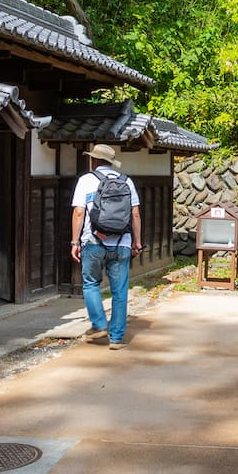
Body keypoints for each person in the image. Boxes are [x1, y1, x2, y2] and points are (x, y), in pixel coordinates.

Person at [70, 144, 143, 350]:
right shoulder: (127, 181)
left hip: (92, 242)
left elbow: (78, 212)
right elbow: (135, 214)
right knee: (119, 292)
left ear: (94, 160)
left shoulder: (86, 180)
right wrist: (137, 242)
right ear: (111, 162)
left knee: (91, 283)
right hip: (122, 243)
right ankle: (116, 338)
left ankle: (99, 323)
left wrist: (75, 241)